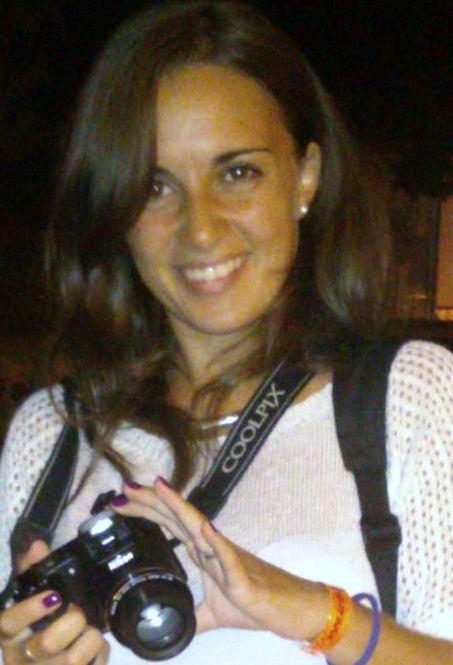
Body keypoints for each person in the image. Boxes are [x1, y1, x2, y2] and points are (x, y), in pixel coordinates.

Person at [0, 1, 451, 664]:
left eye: (237, 173)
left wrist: (317, 613)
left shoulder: (408, 398)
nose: (201, 228)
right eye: (155, 186)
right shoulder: (52, 433)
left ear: (304, 178)